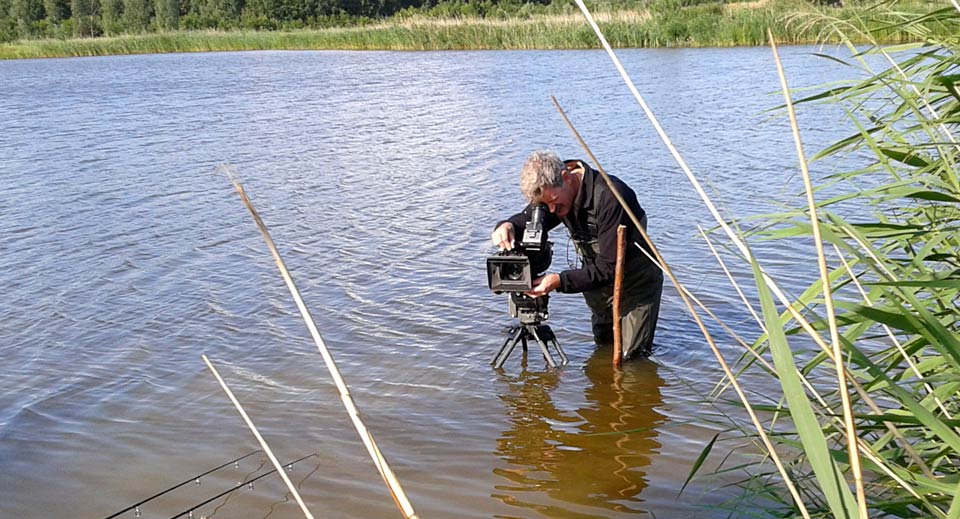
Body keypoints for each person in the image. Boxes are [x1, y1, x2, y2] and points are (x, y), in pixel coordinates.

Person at [491, 151, 663, 360]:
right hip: (596, 285)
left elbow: (609, 268)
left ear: (567, 177)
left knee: (632, 360)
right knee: (603, 350)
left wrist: (558, 281)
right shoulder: (553, 192)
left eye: (554, 201)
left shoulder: (611, 196)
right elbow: (526, 221)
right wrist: (506, 225)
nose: (551, 210)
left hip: (635, 285)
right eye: (546, 205)